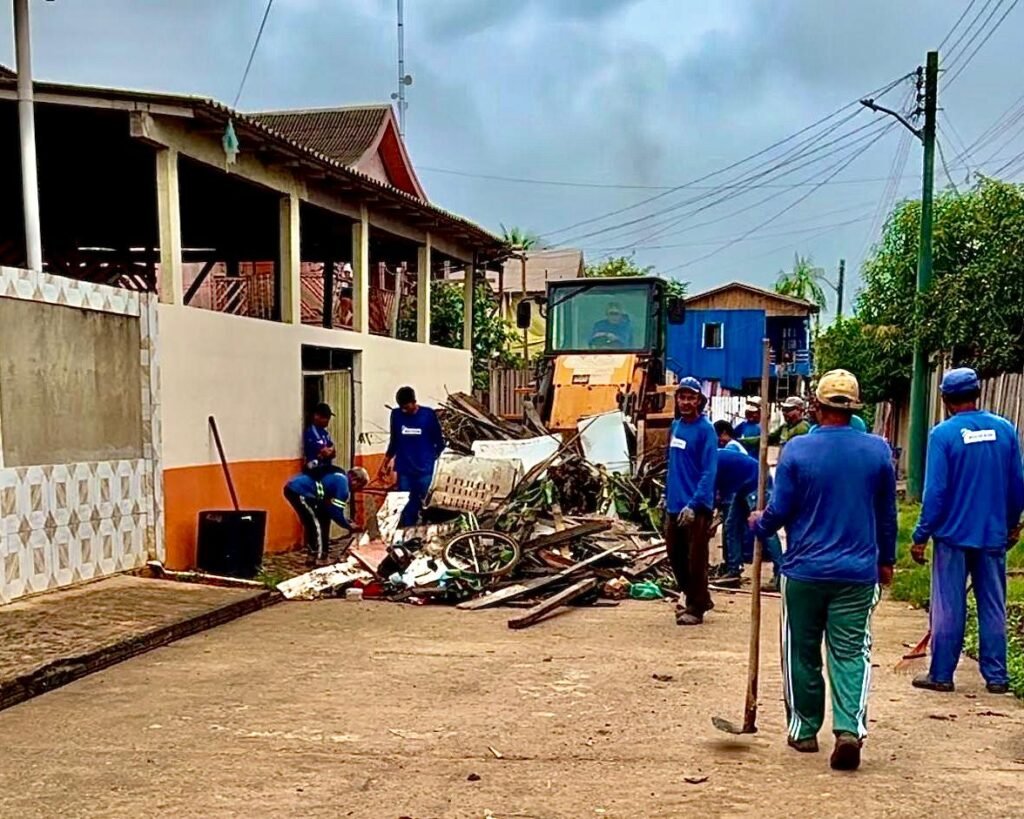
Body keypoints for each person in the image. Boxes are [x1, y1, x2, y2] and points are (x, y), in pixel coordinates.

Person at [751, 369, 897, 771]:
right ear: (854, 408)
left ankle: (803, 729)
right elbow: (886, 515)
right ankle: (849, 728)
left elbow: (781, 510)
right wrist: (886, 561)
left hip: (804, 572)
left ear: (816, 405)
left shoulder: (797, 450)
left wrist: (759, 523)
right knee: (850, 652)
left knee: (800, 651)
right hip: (857, 573)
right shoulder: (878, 451)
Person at [910, 367, 1024, 695]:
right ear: (978, 393)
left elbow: (935, 493)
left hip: (952, 536)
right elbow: (1018, 485)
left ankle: (941, 674)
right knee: (993, 605)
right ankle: (997, 677)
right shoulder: (1005, 430)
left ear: (945, 400)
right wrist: (1012, 524)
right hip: (992, 534)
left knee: (948, 605)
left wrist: (920, 536)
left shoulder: (943, 435)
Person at [664, 377, 718, 626]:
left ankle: (696, 608)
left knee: (695, 559)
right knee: (675, 556)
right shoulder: (675, 426)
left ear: (699, 400)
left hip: (696, 507)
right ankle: (699, 598)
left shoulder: (706, 430)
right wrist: (666, 496)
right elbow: (673, 466)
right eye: (682, 397)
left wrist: (695, 505)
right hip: (674, 504)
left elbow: (709, 471)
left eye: (691, 398)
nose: (686, 402)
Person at [712, 446, 784, 589]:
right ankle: (734, 570)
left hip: (756, 481)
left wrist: (710, 521)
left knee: (765, 526)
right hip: (742, 486)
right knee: (731, 525)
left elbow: (712, 496)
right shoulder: (712, 458)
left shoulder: (709, 462)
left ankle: (780, 574)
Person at [379, 386, 446, 527]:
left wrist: (435, 460)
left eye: (406, 407)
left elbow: (439, 442)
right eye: (401, 407)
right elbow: (394, 441)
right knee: (406, 505)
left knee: (428, 504)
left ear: (414, 402)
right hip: (405, 471)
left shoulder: (428, 415)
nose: (404, 410)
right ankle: (408, 531)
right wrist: (385, 462)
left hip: (425, 471)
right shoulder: (396, 415)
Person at [284, 467, 369, 565]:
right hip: (300, 491)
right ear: (355, 480)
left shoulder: (339, 477)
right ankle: (321, 558)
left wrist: (346, 521)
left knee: (318, 520)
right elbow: (336, 512)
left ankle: (313, 555)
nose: (357, 490)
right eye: (359, 487)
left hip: (297, 489)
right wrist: (349, 525)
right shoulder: (343, 487)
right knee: (316, 524)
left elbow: (330, 509)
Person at [303, 402, 339, 478]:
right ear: (316, 416)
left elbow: (332, 451)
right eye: (325, 417)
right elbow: (323, 452)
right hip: (314, 469)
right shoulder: (311, 432)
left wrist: (329, 452)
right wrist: (325, 452)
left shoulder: (325, 433)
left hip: (325, 468)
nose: (327, 420)